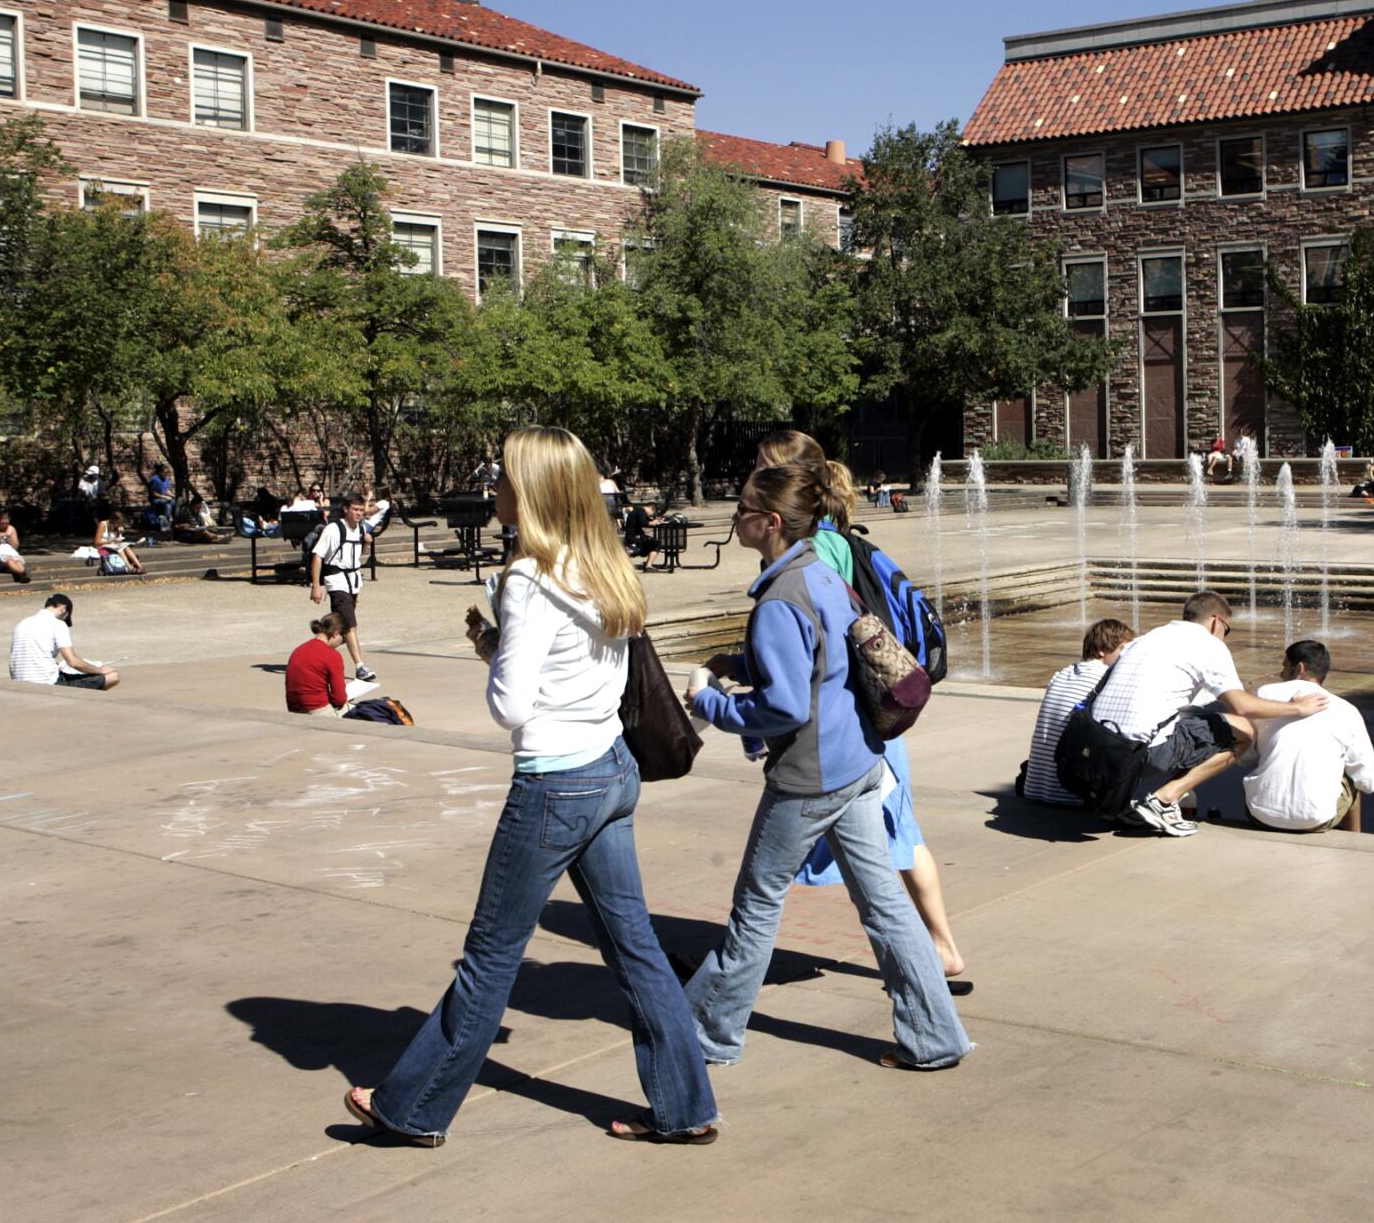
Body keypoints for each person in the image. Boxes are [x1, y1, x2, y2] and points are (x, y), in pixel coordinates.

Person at [347, 425, 718, 1147]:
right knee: (636, 946)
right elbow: (583, 674)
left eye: (503, 476)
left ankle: (412, 1107)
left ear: (532, 492)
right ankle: (686, 1106)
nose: (493, 487)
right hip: (611, 769)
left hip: (554, 782)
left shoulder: (526, 578)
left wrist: (496, 654)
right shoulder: (602, 566)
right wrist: (501, 646)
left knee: (490, 954)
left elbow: (510, 706)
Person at [686, 463, 972, 1071]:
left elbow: (785, 705)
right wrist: (742, 660)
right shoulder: (821, 572)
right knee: (887, 908)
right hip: (861, 763)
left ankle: (704, 1036)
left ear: (768, 523)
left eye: (740, 509)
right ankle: (936, 1038)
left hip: (811, 778)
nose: (732, 518)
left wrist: (708, 699)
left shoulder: (779, 598)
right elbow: (827, 655)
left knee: (756, 907)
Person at [755, 429, 967, 984]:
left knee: (882, 850)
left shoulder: (818, 547)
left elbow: (827, 640)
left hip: (853, 730)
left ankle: (936, 952)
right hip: (866, 724)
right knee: (891, 841)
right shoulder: (835, 537)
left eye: (761, 469)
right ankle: (938, 951)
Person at [1097, 590, 1327, 838]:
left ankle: (1118, 800)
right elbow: (1241, 706)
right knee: (1242, 730)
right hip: (1140, 752)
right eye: (1227, 631)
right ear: (1217, 621)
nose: (1224, 638)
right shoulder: (1208, 645)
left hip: (1099, 745)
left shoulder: (1147, 637)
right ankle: (1164, 800)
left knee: (1187, 716)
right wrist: (1297, 708)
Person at [1240, 641, 1374, 834]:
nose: (1281, 674)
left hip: (1260, 815)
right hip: (1314, 820)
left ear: (1299, 668)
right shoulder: (1346, 710)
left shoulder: (1264, 694)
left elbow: (1245, 756)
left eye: (1284, 666)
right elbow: (1367, 782)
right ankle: (1355, 838)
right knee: (1352, 774)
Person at [1021, 618, 1135, 807]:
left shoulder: (1062, 673)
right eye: (1123, 650)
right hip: (1072, 798)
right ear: (1101, 651)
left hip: (1035, 789)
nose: (1127, 657)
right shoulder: (1105, 679)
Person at [309, 493, 376, 684]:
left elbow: (356, 555)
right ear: (346, 509)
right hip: (337, 581)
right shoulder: (333, 529)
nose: (359, 513)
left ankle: (313, 656)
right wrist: (316, 585)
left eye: (361, 510)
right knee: (350, 625)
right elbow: (317, 556)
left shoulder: (360, 529)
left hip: (354, 581)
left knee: (343, 630)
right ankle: (360, 666)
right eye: (355, 510)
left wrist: (366, 544)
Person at [8, 594, 119, 690]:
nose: (64, 621)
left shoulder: (22, 623)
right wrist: (99, 670)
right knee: (113, 676)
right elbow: (73, 662)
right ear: (63, 608)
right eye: (65, 618)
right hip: (47, 682)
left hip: (19, 681)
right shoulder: (57, 624)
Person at [285, 612, 351, 715]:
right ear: (336, 633)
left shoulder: (299, 650)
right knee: (365, 711)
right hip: (318, 710)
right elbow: (339, 699)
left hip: (294, 709)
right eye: (344, 639)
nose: (341, 643)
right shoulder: (332, 655)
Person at [0, 512, 31, 582]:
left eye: (6, 523)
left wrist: (10, 538)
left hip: (10, 551)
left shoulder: (11, 529)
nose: (4, 525)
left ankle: (21, 573)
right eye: (2, 523)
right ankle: (22, 573)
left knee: (18, 561)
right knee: (9, 561)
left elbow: (15, 546)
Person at [94, 508, 143, 574]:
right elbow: (97, 542)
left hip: (114, 546)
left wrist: (120, 533)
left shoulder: (117, 527)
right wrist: (112, 541)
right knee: (121, 548)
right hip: (103, 546)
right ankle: (130, 568)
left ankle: (140, 567)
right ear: (113, 521)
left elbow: (118, 542)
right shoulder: (103, 524)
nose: (119, 524)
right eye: (118, 523)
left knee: (125, 546)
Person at [145, 463, 175, 530]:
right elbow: (154, 493)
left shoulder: (166, 479)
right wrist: (165, 497)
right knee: (168, 502)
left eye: (168, 472)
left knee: (173, 503)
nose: (166, 474)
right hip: (155, 499)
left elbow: (167, 491)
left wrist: (174, 496)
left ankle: (171, 522)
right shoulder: (155, 479)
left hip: (165, 499)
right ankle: (166, 523)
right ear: (160, 472)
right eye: (165, 472)